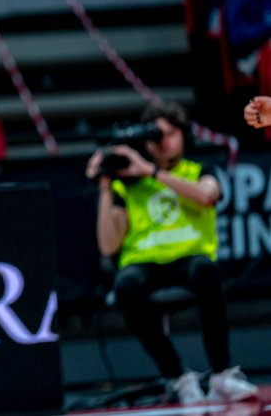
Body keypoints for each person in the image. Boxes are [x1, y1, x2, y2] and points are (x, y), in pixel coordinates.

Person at [85, 102, 256, 405]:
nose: (164, 142)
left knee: (206, 270)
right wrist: (105, 187)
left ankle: (222, 374)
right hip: (144, 265)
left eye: (170, 133)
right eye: (156, 136)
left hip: (190, 260)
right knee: (124, 285)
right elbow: (108, 246)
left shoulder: (199, 170)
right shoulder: (129, 185)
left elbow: (207, 195)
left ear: (183, 135)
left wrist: (151, 171)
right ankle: (178, 376)